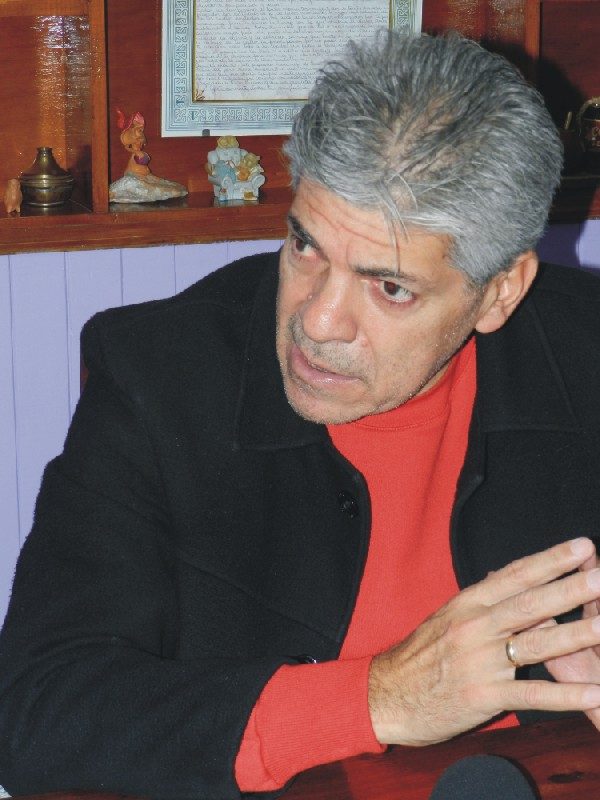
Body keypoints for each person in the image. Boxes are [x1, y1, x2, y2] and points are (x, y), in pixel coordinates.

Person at [1, 28, 600, 799]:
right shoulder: (161, 377)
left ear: (500, 292)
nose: (317, 320)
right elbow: (37, 711)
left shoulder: (585, 354)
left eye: (390, 288)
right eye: (304, 244)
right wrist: (378, 698)